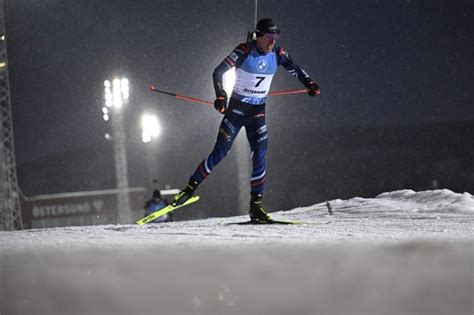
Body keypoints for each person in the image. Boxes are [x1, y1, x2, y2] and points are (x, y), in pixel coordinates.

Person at [172, 18, 320, 222]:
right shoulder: (244, 50)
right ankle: (189, 189)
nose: (273, 40)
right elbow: (218, 71)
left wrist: (309, 83)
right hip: (236, 112)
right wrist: (221, 96)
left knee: (260, 156)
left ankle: (256, 206)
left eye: (276, 35)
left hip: (257, 113)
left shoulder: (277, 53)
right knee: (220, 153)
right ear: (258, 35)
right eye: (269, 36)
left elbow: (295, 68)